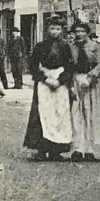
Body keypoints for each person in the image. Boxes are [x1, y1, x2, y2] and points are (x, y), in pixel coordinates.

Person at [23, 17, 74, 159]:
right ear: (47, 29)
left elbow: (70, 66)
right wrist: (45, 78)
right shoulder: (40, 46)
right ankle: (41, 149)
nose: (55, 32)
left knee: (59, 115)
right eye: (52, 28)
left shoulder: (65, 47)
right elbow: (33, 66)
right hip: (44, 83)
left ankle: (56, 150)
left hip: (60, 84)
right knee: (42, 114)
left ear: (62, 30)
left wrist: (61, 80)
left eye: (58, 29)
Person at [68, 21, 100, 161]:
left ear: (87, 32)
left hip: (90, 84)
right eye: (77, 32)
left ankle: (90, 149)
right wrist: (72, 84)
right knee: (77, 115)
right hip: (76, 81)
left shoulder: (95, 46)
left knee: (91, 114)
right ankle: (78, 148)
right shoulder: (71, 47)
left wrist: (90, 78)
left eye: (82, 31)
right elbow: (69, 66)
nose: (79, 34)